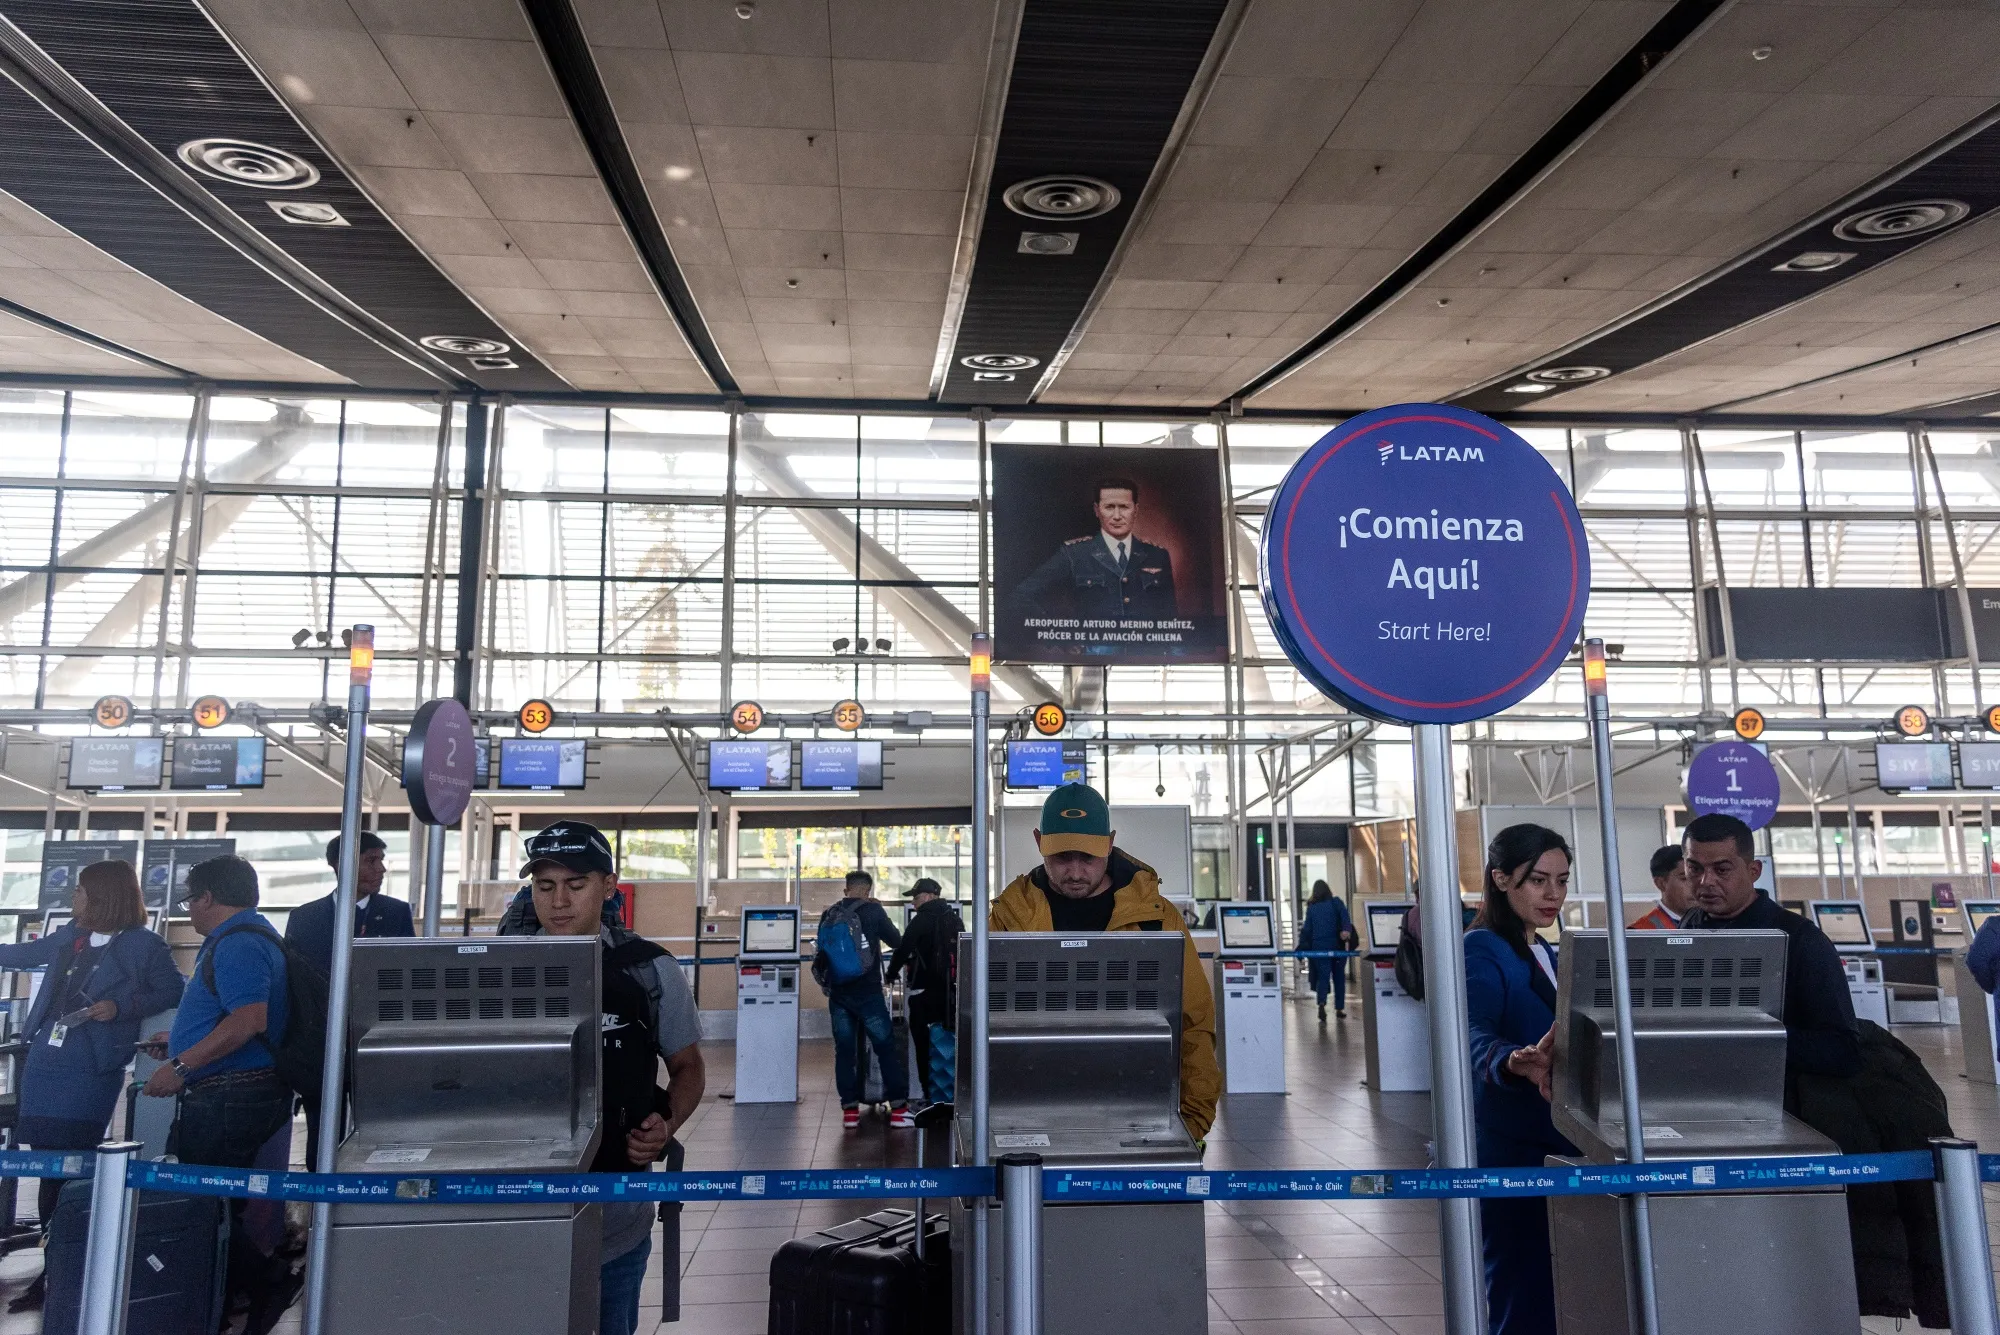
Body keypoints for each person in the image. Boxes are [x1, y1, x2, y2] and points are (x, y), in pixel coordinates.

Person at [500, 820, 704, 1335]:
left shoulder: (648, 969)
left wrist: (667, 1124)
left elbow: (688, 1066)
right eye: (545, 886)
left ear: (608, 886)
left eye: (576, 884)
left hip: (616, 1213)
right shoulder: (498, 969)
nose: (558, 901)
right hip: (514, 1202)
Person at [990, 782, 1221, 1141]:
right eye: (1061, 857)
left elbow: (1194, 1022)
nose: (1075, 872)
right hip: (1033, 1112)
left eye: (1088, 857)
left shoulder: (1156, 920)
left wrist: (1193, 1120)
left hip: (1139, 1110)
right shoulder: (1009, 918)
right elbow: (982, 1026)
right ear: (1039, 842)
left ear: (1110, 843)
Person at [0, 861, 182, 1313]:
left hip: (90, 1069)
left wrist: (119, 1007)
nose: (73, 898)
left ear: (103, 896)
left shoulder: (143, 945)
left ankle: (67, 1267)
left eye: (80, 891)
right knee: (47, 1165)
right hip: (46, 1062)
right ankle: (53, 1266)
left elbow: (170, 991)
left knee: (71, 1167)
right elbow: (22, 955)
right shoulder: (71, 936)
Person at [139, 856, 298, 1335]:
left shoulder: (238, 943)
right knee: (216, 1203)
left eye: (190, 899)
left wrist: (182, 1065)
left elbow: (249, 1020)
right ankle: (230, 1297)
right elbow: (233, 1015)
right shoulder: (250, 936)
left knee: (201, 1203)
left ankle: (266, 1282)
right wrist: (180, 1040)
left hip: (229, 1094)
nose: (188, 909)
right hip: (235, 1088)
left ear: (207, 897)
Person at [1464, 824, 1578, 1335]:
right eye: (1538, 880)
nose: (1553, 894)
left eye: (1562, 880)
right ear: (1501, 879)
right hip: (1512, 1147)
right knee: (1521, 1289)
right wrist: (1512, 1060)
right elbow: (1469, 1033)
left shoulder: (1546, 951)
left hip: (1557, 1139)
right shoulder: (1482, 948)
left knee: (1552, 1289)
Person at [1679, 813, 1860, 1079]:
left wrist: (1751, 1036)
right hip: (1698, 1084)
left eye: (1722, 870)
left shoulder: (1800, 940)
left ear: (1754, 871)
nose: (1706, 881)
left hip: (1776, 1094)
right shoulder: (1690, 925)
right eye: (1695, 869)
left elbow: (1842, 1050)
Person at [812, 870, 914, 1130]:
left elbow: (822, 953)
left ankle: (850, 1112)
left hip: (839, 994)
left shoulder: (829, 913)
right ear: (868, 891)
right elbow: (897, 941)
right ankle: (899, 1109)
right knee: (885, 1047)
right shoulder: (873, 911)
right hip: (868, 993)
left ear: (846, 889)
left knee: (844, 1051)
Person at [1012, 477, 1178, 622]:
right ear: (1097, 510)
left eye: (1124, 507)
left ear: (1136, 510)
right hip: (1092, 649)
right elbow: (1021, 595)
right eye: (1109, 507)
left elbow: (1171, 619)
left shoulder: (1157, 555)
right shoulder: (1074, 554)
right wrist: (1058, 633)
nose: (1117, 516)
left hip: (1144, 648)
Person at [283, 831, 414, 979]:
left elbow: (409, 971)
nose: (381, 868)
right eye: (371, 861)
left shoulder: (397, 912)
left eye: (381, 860)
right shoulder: (304, 918)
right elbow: (294, 977)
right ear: (341, 865)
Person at [886, 878, 963, 1103]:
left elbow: (902, 950)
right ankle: (949, 1094)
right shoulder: (955, 919)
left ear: (929, 896)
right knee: (947, 1043)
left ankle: (928, 1096)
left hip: (923, 993)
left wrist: (890, 975)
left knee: (923, 1046)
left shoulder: (921, 920)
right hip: (951, 995)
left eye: (916, 897)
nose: (914, 902)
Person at [1296, 880, 1356, 1021]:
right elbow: (1345, 917)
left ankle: (1322, 1003)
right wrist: (1346, 931)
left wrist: (1302, 946)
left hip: (1319, 948)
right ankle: (1339, 1008)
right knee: (1339, 977)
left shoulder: (1312, 908)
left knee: (1323, 977)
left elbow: (1307, 930)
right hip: (1337, 946)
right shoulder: (1336, 903)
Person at [1630, 844, 1692, 930]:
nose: (1695, 885)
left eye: (1697, 877)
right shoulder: (1640, 932)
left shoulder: (1709, 924)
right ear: (1661, 883)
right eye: (1685, 878)